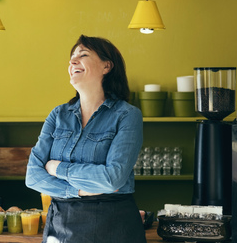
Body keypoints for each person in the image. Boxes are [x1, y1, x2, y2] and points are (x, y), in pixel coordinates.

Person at [25, 35, 146, 243]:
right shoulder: (58, 115)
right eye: (72, 57)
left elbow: (112, 179)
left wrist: (57, 168)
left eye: (83, 55)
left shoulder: (127, 115)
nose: (72, 62)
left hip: (113, 226)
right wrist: (79, 190)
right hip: (60, 227)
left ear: (106, 66)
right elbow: (33, 176)